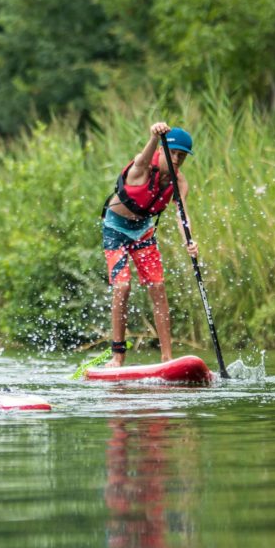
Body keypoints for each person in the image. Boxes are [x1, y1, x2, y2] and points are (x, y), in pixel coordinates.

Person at [101, 122, 199, 367]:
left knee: (158, 288)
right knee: (122, 286)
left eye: (181, 156)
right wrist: (154, 136)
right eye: (173, 152)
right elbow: (143, 158)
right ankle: (117, 355)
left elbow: (182, 214)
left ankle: (167, 358)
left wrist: (190, 241)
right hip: (115, 228)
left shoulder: (180, 183)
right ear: (163, 150)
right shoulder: (143, 167)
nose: (176, 159)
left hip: (143, 231)